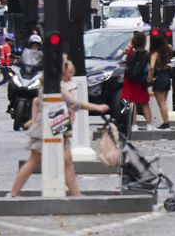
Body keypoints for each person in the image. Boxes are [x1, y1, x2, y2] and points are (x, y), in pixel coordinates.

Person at [11, 57, 109, 198]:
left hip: (57, 126)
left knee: (65, 161)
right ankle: (14, 192)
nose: (70, 74)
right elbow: (75, 103)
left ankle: (77, 194)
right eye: (67, 70)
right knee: (36, 161)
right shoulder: (56, 86)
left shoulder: (52, 84)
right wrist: (98, 107)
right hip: (49, 127)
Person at [121, 33, 153, 131]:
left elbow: (123, 56)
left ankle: (134, 125)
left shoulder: (130, 53)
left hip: (130, 80)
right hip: (141, 81)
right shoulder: (147, 54)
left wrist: (131, 42)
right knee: (144, 103)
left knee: (132, 102)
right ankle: (149, 125)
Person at [149, 34, 174, 129]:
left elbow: (151, 67)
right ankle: (165, 121)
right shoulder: (168, 50)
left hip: (159, 77)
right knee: (164, 102)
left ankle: (166, 123)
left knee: (161, 103)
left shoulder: (155, 53)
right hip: (167, 76)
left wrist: (151, 78)